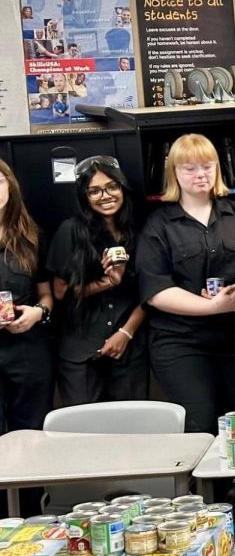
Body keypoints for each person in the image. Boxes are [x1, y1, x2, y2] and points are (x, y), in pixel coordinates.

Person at [138, 134, 235, 433]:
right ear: (173, 172)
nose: (200, 174)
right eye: (190, 168)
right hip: (183, 342)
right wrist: (211, 306)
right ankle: (208, 483)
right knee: (202, 422)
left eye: (207, 166)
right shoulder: (158, 225)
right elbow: (156, 290)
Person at [47, 156, 148, 405]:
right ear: (84, 196)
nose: (106, 195)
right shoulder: (70, 231)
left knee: (132, 429)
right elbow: (60, 293)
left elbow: (153, 291)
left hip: (128, 346)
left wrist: (126, 332)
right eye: (95, 191)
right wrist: (109, 282)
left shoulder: (141, 230)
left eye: (112, 187)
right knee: (85, 433)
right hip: (81, 348)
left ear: (122, 188)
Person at [0, 160, 54, 434]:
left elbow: (46, 294)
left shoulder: (31, 236)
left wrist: (38, 313)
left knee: (31, 432)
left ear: (10, 185)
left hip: (28, 346)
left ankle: (33, 481)